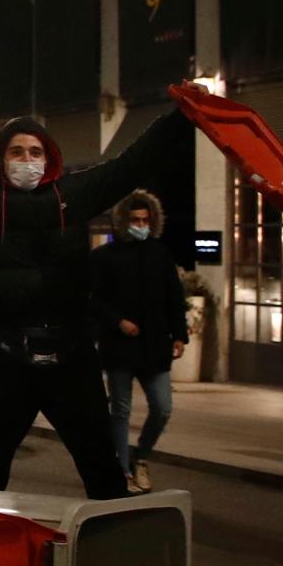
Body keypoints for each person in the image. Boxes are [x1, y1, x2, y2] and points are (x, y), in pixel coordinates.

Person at [0, 77, 189, 497]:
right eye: (16, 152)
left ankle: (110, 552)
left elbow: (132, 164)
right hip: (11, 355)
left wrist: (182, 117)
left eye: (34, 152)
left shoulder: (74, 196)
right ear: (1, 160)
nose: (26, 159)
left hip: (73, 354)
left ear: (49, 157)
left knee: (102, 472)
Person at [91, 190, 187, 492]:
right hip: (119, 346)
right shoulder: (104, 257)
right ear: (123, 221)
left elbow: (174, 296)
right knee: (120, 409)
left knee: (163, 407)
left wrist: (180, 333)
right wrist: (118, 321)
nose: (140, 224)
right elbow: (93, 299)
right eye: (135, 219)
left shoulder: (160, 254)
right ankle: (121, 469)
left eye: (145, 219)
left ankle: (140, 456)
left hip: (155, 346)